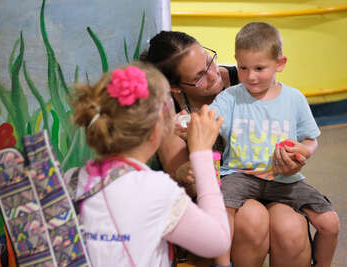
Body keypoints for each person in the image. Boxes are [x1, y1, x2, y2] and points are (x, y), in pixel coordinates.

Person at [141, 30, 314, 267]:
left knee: (291, 228)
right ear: (175, 88)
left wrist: (293, 158)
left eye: (209, 60)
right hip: (216, 195)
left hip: (269, 179)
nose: (214, 74)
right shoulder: (170, 113)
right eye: (200, 75)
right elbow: (189, 183)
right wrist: (189, 166)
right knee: (254, 218)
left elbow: (287, 130)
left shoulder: (241, 76)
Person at [66, 61, 231, 267]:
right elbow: (218, 241)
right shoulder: (156, 190)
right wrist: (202, 154)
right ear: (155, 132)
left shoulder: (71, 179)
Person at [210, 22, 340, 267]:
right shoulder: (230, 97)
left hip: (285, 180)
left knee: (330, 223)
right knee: (222, 204)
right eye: (243, 67)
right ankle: (222, 263)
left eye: (260, 68)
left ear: (280, 64)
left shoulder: (294, 98)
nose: (250, 76)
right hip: (240, 175)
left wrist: (304, 151)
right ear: (236, 61)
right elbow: (210, 117)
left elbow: (311, 140)